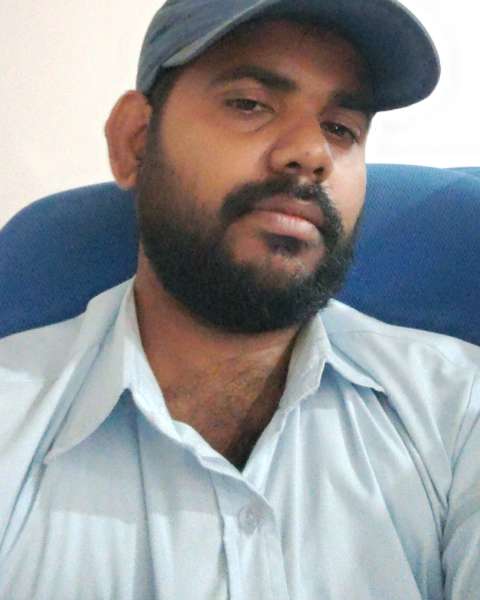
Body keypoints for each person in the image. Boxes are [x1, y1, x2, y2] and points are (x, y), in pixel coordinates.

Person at [1, 1, 479, 598]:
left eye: (341, 128)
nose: (311, 153)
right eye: (250, 103)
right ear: (135, 142)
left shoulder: (460, 411)